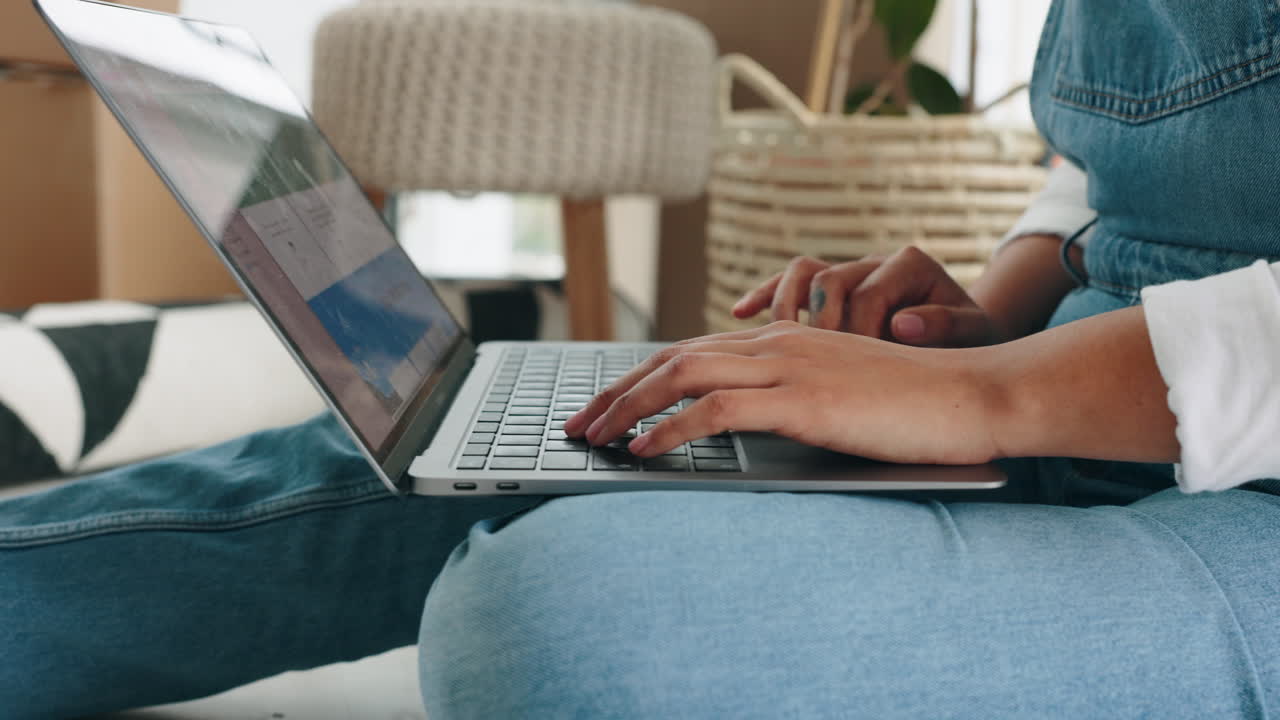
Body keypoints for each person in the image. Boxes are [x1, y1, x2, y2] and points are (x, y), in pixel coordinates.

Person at [4, 0, 1280, 717]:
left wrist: (993, 397)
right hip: (1074, 360)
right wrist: (995, 315)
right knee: (487, 446)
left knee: (564, 616)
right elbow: (1108, 169)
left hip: (1245, 506)